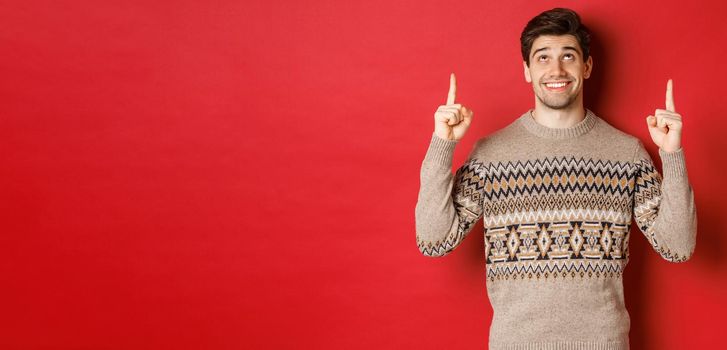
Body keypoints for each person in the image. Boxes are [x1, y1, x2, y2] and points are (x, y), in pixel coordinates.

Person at [414, 7, 697, 350]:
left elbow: (679, 248)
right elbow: (433, 240)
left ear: (587, 66)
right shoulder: (491, 154)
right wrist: (442, 144)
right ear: (527, 71)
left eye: (568, 56)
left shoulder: (627, 154)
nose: (556, 69)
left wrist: (672, 153)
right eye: (543, 58)